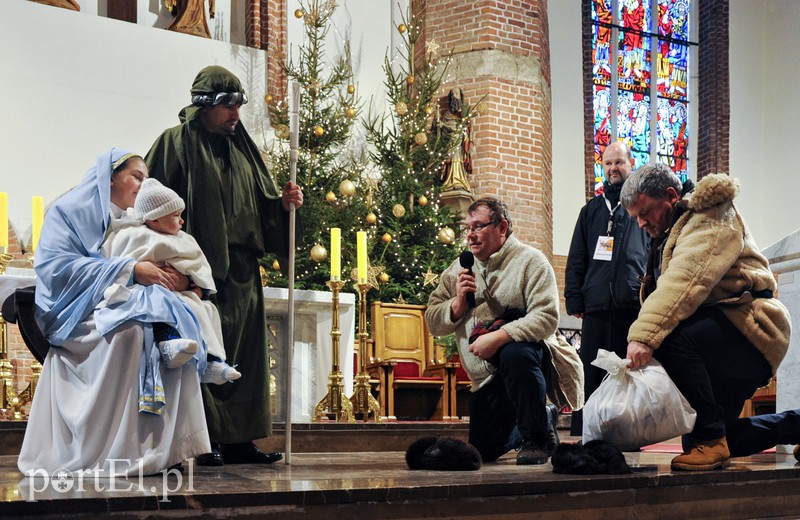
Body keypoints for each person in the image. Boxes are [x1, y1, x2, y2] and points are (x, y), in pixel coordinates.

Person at [146, 65, 303, 466]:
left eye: (238, 105)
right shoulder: (175, 143)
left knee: (245, 359)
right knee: (206, 355)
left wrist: (283, 206)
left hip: (243, 270)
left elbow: (263, 204)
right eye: (227, 105)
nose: (235, 114)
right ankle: (204, 440)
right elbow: (149, 203)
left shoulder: (243, 147)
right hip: (197, 272)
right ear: (204, 105)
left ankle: (240, 440)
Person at [18, 148, 210, 477]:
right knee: (132, 331)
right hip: (75, 310)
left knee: (174, 323)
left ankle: (161, 450)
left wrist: (180, 281)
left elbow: (169, 260)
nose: (143, 184)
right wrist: (130, 269)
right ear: (110, 178)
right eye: (137, 176)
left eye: (146, 178)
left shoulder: (134, 220)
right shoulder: (69, 210)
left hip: (119, 300)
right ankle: (113, 448)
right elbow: (58, 268)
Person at [621, 163, 797, 471]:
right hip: (725, 330)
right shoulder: (672, 229)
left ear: (671, 196)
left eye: (645, 212)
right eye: (635, 216)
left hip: (754, 327)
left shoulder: (708, 217)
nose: (640, 223)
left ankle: (711, 439)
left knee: (667, 338)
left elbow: (685, 281)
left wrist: (642, 336)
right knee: (718, 438)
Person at [425, 197, 581, 465]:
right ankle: (543, 419)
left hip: (527, 363)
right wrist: (458, 304)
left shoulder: (531, 261)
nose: (470, 236)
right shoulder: (457, 270)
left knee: (515, 353)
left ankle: (535, 440)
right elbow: (432, 320)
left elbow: (546, 318)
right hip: (485, 380)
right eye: (467, 228)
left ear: (502, 227)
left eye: (478, 226)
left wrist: (499, 337)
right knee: (483, 450)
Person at [101, 177, 241, 384]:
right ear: (155, 219)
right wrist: (137, 272)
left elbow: (198, 266)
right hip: (145, 292)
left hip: (182, 293)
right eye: (176, 215)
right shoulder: (132, 235)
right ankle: (169, 342)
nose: (182, 221)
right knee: (157, 301)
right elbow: (117, 263)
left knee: (205, 311)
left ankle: (211, 361)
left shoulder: (184, 239)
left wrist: (192, 283)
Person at [564, 141, 650, 436]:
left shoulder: (641, 209)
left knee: (627, 374)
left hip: (631, 306)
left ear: (630, 164)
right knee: (593, 372)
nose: (614, 168)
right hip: (597, 305)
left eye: (619, 163)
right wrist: (574, 297)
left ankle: (627, 433)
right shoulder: (590, 211)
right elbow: (577, 256)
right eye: (608, 164)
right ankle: (588, 432)